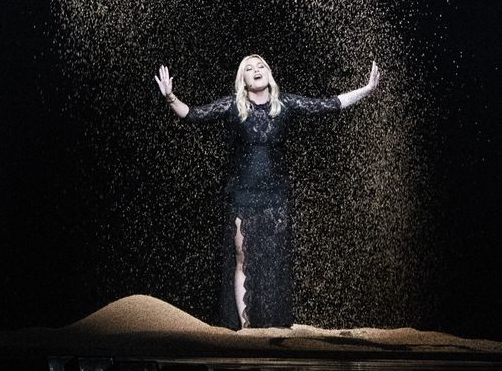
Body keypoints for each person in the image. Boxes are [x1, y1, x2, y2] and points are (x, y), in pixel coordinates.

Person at [155, 54, 380, 330]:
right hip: (243, 192)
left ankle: (271, 325)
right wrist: (170, 97)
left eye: (260, 66)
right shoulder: (233, 105)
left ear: (269, 73)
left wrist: (366, 89)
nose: (256, 70)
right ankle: (246, 327)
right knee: (242, 256)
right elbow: (193, 114)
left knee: (272, 259)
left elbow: (328, 105)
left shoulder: (284, 103)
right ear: (243, 80)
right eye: (249, 68)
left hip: (275, 194)